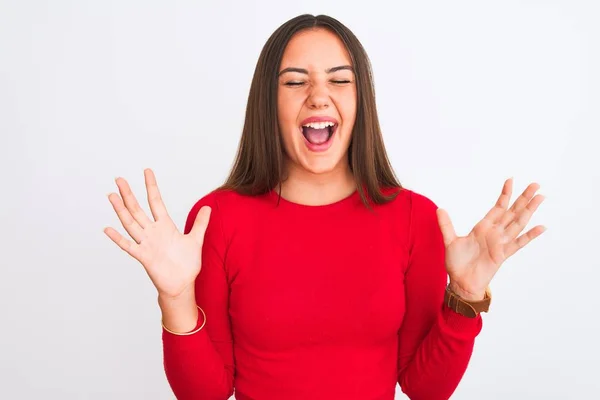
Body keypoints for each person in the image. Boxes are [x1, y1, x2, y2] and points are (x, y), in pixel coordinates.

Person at [104, 14, 545, 400]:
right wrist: (176, 298)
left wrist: (465, 296)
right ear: (269, 103)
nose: (317, 95)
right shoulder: (217, 219)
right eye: (295, 81)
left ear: (361, 101)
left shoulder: (415, 219)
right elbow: (206, 394)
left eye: (339, 79)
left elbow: (425, 389)